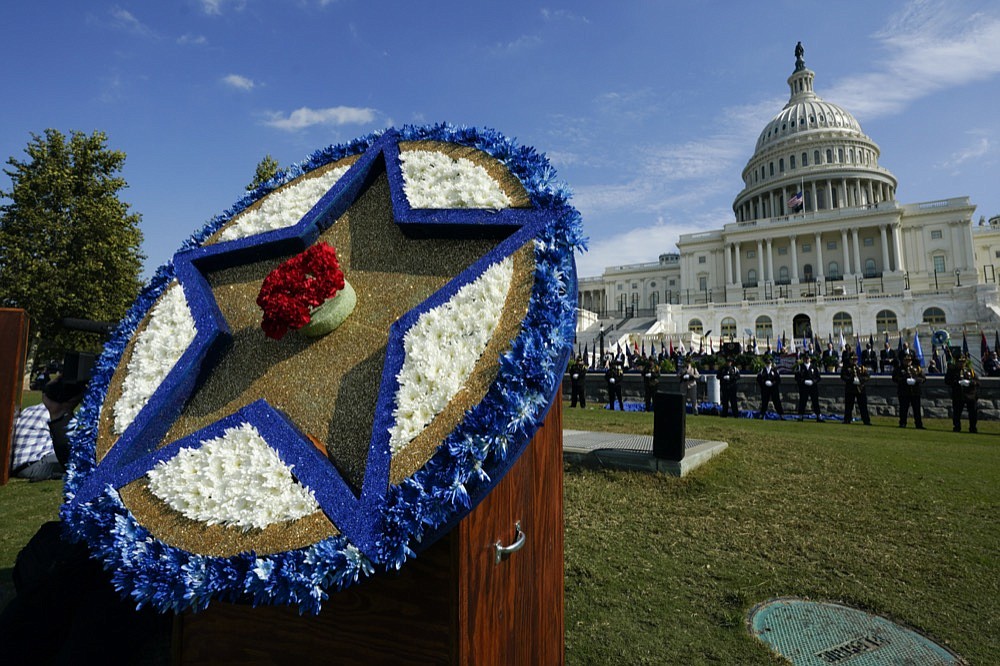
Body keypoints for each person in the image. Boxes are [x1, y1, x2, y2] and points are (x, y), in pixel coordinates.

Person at [10, 379, 85, 481]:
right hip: (37, 464)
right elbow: (69, 445)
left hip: (18, 466)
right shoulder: (55, 415)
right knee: (80, 458)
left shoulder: (29, 410)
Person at [945, 352, 979, 433]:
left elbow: (977, 381)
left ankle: (972, 428)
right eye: (960, 362)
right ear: (956, 362)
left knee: (972, 413)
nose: (961, 364)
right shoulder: (952, 370)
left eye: (963, 362)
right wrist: (957, 382)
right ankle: (957, 427)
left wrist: (970, 382)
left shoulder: (970, 370)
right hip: (958, 395)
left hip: (970, 395)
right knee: (957, 413)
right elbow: (947, 381)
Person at [892, 354, 925, 429]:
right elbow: (894, 378)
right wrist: (904, 380)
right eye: (906, 360)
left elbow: (923, 378)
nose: (908, 362)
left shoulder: (917, 368)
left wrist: (915, 380)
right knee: (903, 409)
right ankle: (903, 423)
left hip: (915, 392)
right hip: (904, 391)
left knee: (916, 409)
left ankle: (918, 424)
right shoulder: (899, 369)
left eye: (909, 360)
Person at [840, 351, 871, 425]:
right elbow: (843, 376)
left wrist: (861, 380)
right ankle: (847, 419)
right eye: (853, 359)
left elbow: (867, 376)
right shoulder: (846, 368)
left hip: (860, 389)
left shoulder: (861, 367)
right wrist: (851, 380)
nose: (854, 361)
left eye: (855, 359)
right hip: (850, 389)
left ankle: (866, 421)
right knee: (849, 406)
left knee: (863, 406)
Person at [794, 352, 822, 421]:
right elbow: (797, 377)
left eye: (808, 359)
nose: (806, 360)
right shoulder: (800, 367)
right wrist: (803, 381)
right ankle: (800, 416)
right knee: (802, 401)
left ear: (810, 359)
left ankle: (818, 416)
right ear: (803, 359)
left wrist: (813, 381)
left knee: (815, 402)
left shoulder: (814, 367)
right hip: (804, 387)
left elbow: (818, 377)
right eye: (805, 359)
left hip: (813, 387)